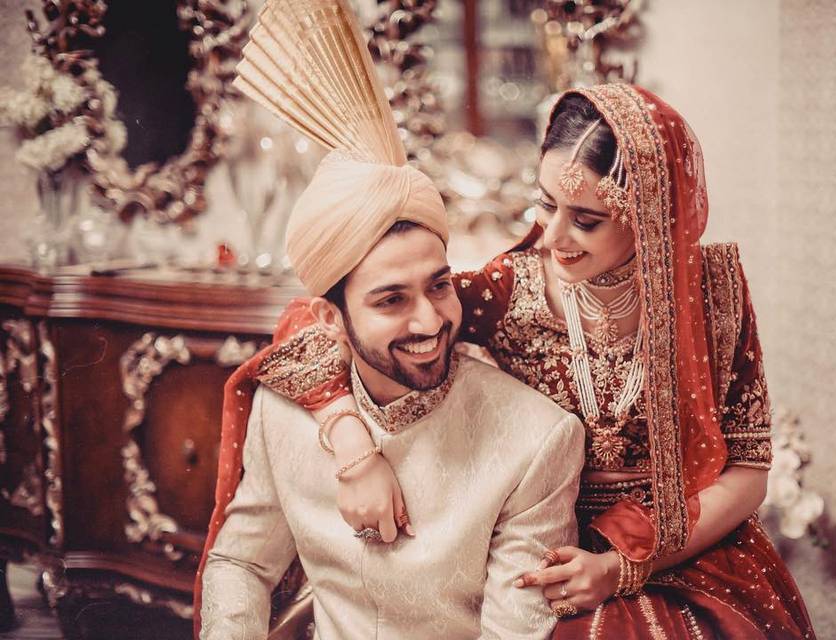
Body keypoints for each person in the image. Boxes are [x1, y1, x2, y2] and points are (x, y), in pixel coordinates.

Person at [253, 83, 816, 639]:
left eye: (586, 219)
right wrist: (353, 448)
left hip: (689, 548)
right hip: (548, 544)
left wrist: (625, 565)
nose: (553, 236)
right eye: (547, 204)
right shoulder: (509, 289)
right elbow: (313, 318)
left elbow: (746, 472)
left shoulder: (712, 293)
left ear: (649, 213)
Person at [195, 1, 584, 637]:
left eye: (438, 286)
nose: (430, 320)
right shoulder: (285, 409)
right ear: (331, 315)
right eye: (390, 299)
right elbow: (240, 560)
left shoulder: (535, 439)